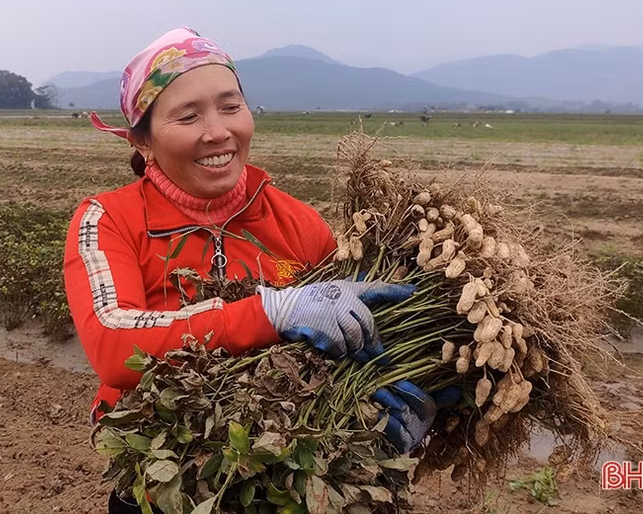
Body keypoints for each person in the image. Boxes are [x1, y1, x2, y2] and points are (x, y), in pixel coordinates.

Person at [63, 27, 453, 513]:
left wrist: (389, 402)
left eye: (230, 106)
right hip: (161, 488)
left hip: (287, 485)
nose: (218, 131)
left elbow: (344, 346)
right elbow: (115, 345)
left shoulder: (300, 225)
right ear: (142, 140)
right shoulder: (109, 219)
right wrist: (273, 310)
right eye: (188, 115)